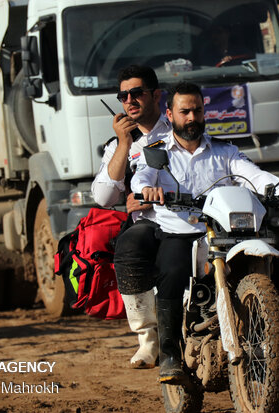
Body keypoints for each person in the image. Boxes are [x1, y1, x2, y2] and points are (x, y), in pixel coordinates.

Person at [130, 81, 279, 384]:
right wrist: (147, 188)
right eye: (184, 111)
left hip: (224, 232)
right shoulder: (157, 153)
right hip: (180, 231)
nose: (191, 117)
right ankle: (171, 354)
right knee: (171, 272)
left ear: (204, 113)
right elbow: (141, 178)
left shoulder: (226, 152)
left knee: (269, 258)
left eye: (197, 110)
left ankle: (261, 334)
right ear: (170, 114)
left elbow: (254, 176)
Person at [91, 65, 170, 369]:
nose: (129, 100)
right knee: (129, 244)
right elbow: (103, 197)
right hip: (148, 227)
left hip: (191, 219)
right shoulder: (118, 145)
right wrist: (124, 144)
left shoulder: (178, 129)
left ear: (156, 95)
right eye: (123, 95)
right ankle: (148, 340)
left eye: (137, 93)